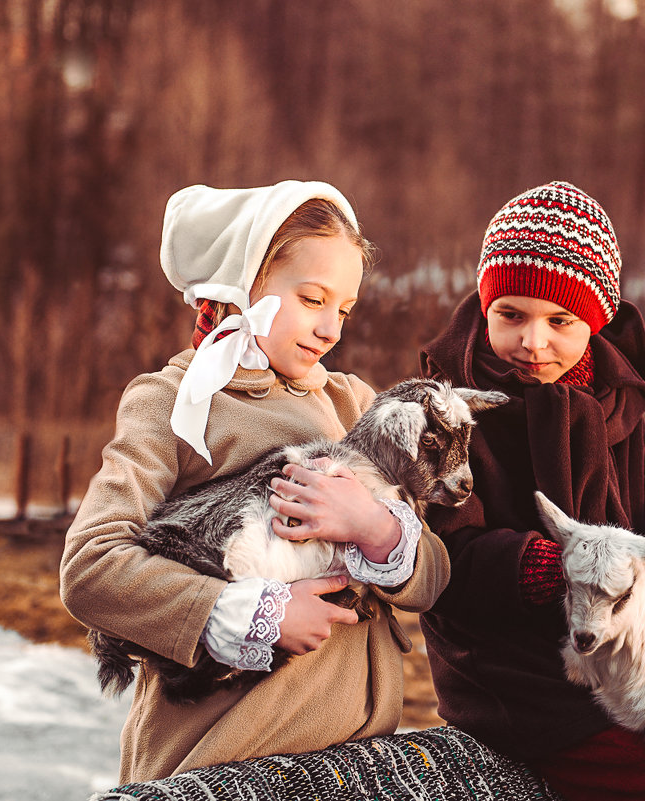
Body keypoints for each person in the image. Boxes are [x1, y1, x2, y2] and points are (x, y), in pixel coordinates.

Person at [60, 180, 450, 783]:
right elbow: (91, 568)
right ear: (244, 284)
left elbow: (429, 579)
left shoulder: (356, 406)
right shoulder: (177, 401)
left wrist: (375, 529)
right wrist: (255, 612)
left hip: (350, 765)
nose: (331, 330)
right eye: (312, 299)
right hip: (218, 760)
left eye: (344, 309)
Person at [419, 181, 645, 801]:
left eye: (560, 321)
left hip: (635, 648)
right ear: (485, 307)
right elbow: (451, 550)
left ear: (594, 323)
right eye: (511, 315)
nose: (533, 342)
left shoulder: (613, 405)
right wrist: (570, 571)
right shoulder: (451, 413)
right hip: (519, 671)